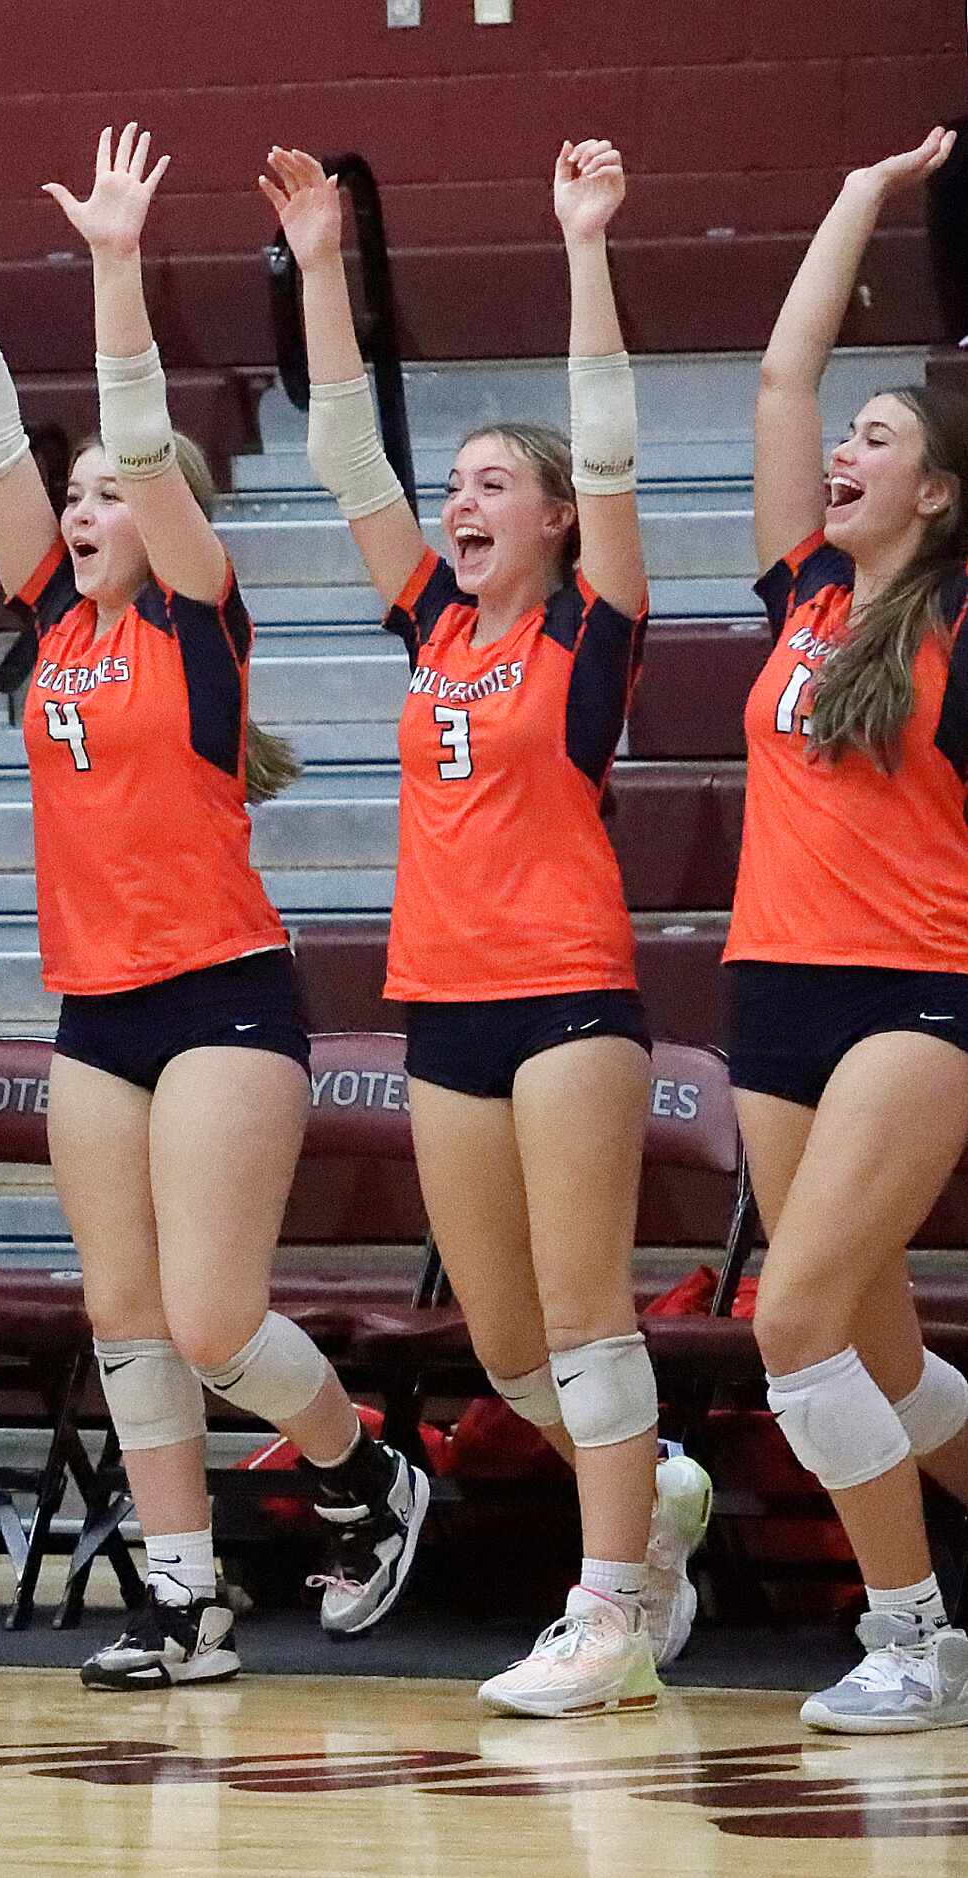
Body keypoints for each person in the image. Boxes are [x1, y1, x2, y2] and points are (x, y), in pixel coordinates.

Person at [0, 118, 431, 1692]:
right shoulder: (52, 627)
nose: (83, 506)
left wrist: (118, 267)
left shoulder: (200, 620)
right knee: (126, 1316)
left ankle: (363, 1470)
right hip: (98, 1002)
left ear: (169, 514)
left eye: (111, 495)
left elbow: (135, 434)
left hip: (221, 995)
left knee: (212, 1315)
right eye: (73, 498)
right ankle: (185, 1593)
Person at [261, 141, 716, 1716]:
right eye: (454, 484)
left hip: (570, 996)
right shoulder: (435, 623)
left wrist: (583, 242)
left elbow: (607, 443)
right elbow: (343, 459)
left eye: (490, 486)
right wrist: (322, 268)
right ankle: (650, 1488)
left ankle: (610, 1611)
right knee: (511, 1338)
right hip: (439, 1002)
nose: (458, 501)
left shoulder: (593, 632)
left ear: (553, 524)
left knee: (586, 1309)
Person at [734, 125, 968, 1736]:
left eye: (877, 439)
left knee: (791, 1319)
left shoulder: (958, 616)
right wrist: (849, 193)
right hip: (775, 993)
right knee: (881, 1366)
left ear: (937, 488)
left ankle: (913, 1631)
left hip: (919, 992)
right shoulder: (805, 593)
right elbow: (776, 381)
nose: (843, 450)